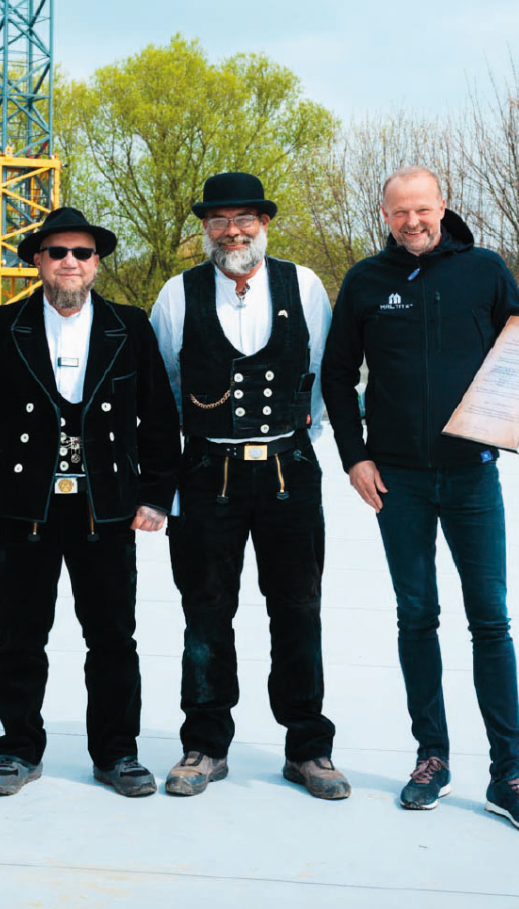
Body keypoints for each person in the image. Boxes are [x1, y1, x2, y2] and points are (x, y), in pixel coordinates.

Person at [320, 166, 519, 832]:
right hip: (398, 480)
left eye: (424, 209)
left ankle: (509, 771)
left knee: (489, 618)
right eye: (400, 211)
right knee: (417, 615)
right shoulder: (365, 282)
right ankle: (431, 756)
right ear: (384, 214)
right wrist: (356, 455)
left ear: (444, 207)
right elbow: (335, 376)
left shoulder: (485, 270)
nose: (413, 221)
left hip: (471, 475)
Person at [0, 207, 180, 798]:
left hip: (105, 509)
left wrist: (156, 495)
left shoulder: (128, 327)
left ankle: (117, 753)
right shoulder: (3, 327)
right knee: (20, 638)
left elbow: (157, 418)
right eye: (57, 253)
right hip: (25, 508)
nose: (70, 263)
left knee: (112, 639)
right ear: (38, 262)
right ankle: (18, 751)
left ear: (97, 263)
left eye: (81, 253)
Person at [148, 171, 346, 800]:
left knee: (298, 608)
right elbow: (164, 388)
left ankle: (309, 747)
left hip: (290, 470)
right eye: (218, 221)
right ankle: (204, 742)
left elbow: (323, 377)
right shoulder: (177, 295)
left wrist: (296, 442)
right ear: (205, 229)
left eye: (243, 220)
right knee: (205, 611)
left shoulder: (305, 284)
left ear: (264, 224)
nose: (231, 231)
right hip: (208, 474)